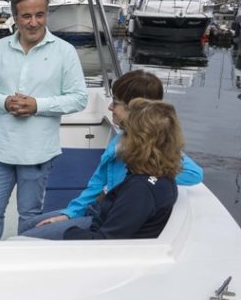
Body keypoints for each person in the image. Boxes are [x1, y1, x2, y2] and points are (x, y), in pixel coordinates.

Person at [21, 70, 204, 239]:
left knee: (28, 238)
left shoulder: (148, 167)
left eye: (115, 102)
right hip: (98, 208)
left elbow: (194, 174)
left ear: (136, 109)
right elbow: (97, 183)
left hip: (105, 217)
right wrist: (70, 213)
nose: (109, 107)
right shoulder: (119, 141)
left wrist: (144, 174)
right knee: (27, 226)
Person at [0, 0, 88, 241]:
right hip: (1, 152)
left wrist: (38, 105)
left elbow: (79, 98)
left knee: (29, 216)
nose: (33, 22)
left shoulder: (64, 52)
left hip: (38, 154)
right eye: (26, 16)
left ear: (47, 15)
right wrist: (5, 102)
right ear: (15, 17)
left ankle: (22, 270)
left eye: (40, 15)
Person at [64, 99, 184, 240]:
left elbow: (104, 243)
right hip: (99, 225)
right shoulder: (161, 177)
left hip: (93, 244)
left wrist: (70, 231)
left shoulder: (140, 190)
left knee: (32, 235)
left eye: (126, 133)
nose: (120, 139)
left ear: (139, 142)